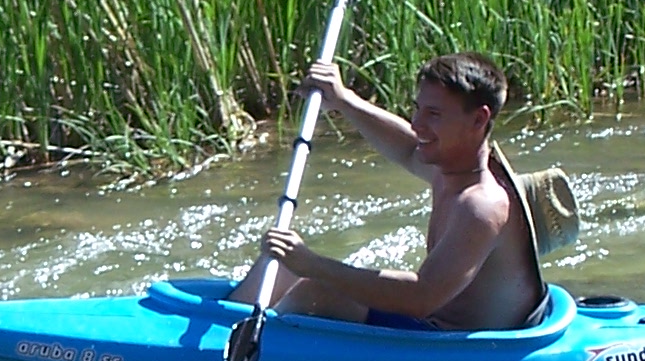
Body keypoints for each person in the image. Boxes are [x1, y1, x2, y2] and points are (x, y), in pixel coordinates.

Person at [230, 52, 548, 331]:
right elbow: (408, 147)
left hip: (450, 341)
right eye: (417, 108)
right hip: (428, 318)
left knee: (316, 292)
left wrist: (312, 264)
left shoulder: (481, 205)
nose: (417, 122)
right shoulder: (448, 165)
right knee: (281, 263)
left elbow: (421, 297)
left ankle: (258, 351)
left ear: (479, 119)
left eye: (433, 114)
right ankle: (223, 327)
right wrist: (342, 98)